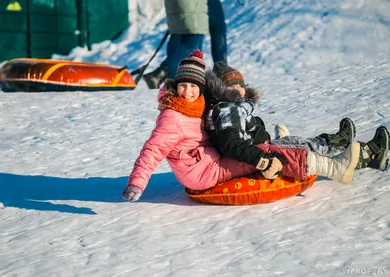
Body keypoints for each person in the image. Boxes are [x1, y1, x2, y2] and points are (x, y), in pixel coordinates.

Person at [121, 50, 389, 202]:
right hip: (203, 171)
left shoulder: (195, 107)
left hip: (208, 161)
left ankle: (344, 146)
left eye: (194, 86)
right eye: (184, 86)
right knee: (280, 153)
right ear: (175, 87)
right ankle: (343, 164)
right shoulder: (175, 115)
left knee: (283, 146)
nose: (189, 92)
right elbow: (153, 149)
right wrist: (137, 183)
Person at [204, 61, 389, 180]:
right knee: (303, 149)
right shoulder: (227, 109)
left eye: (240, 86)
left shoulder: (233, 107)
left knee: (300, 143)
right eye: (232, 87)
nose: (239, 90)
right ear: (222, 90)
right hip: (256, 155)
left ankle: (335, 142)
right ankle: (370, 155)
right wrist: (260, 158)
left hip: (261, 148)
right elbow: (231, 143)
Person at [143, 0, 209, 89]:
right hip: (192, 7)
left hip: (177, 6)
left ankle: (177, 81)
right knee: (193, 42)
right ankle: (160, 73)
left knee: (179, 38)